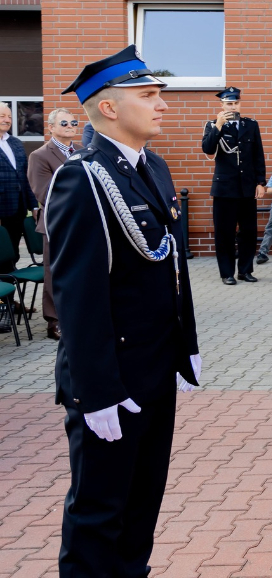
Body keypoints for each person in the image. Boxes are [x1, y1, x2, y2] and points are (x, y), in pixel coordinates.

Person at [47, 45, 202, 576]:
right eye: (148, 94)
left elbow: (172, 266)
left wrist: (188, 346)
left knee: (141, 508)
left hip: (154, 368)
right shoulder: (82, 177)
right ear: (108, 108)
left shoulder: (153, 168)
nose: (161, 105)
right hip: (111, 377)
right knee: (99, 514)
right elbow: (76, 293)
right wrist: (96, 392)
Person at [202, 86, 267, 285]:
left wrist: (260, 182)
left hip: (247, 187)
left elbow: (258, 155)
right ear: (221, 105)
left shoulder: (251, 125)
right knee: (225, 233)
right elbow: (208, 149)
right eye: (229, 103)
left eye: (235, 102)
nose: (233, 106)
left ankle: (245, 271)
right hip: (224, 188)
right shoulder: (212, 125)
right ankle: (227, 273)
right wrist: (218, 126)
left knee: (248, 232)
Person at [27, 108, 81, 339]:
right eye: (64, 123)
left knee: (80, 270)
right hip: (57, 223)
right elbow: (44, 193)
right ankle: (54, 321)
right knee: (54, 271)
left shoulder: (82, 151)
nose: (70, 126)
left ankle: (79, 315)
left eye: (73, 122)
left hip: (83, 220)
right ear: (50, 128)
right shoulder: (40, 156)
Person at [0, 103, 38, 272]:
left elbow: (24, 176)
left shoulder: (15, 142)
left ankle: (8, 298)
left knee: (12, 255)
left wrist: (34, 205)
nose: (7, 120)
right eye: (2, 116)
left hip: (17, 209)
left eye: (9, 116)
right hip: (1, 208)